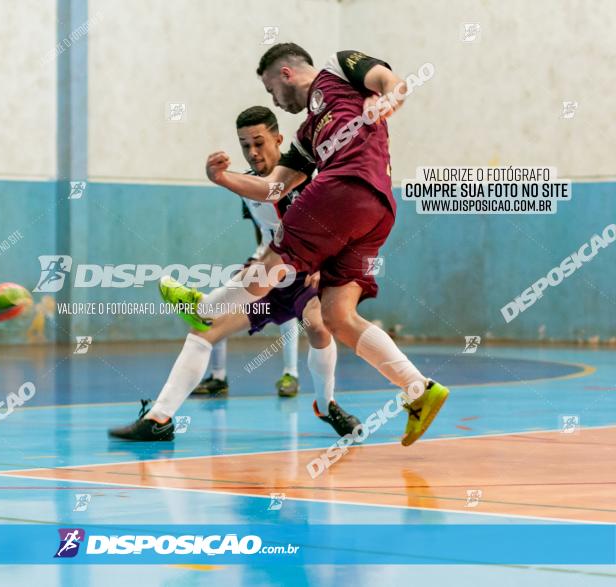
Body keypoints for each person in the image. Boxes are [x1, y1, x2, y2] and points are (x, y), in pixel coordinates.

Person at [160, 44, 448, 446]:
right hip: (376, 212)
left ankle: (205, 307)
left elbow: (387, 81)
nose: (273, 100)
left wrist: (391, 98)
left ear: (285, 74)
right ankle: (418, 388)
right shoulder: (307, 133)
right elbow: (272, 187)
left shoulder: (336, 68)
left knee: (270, 265)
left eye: (270, 90)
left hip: (347, 187)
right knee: (336, 315)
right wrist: (222, 179)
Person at [108, 271, 361, 441]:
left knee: (317, 326)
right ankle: (158, 418)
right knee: (206, 329)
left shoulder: (306, 189)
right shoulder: (254, 198)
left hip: (305, 274)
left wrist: (324, 264)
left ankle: (326, 403)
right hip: (272, 272)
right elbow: (266, 229)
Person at [194, 106, 306, 398]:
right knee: (218, 305)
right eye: (245, 146)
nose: (253, 152)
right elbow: (261, 228)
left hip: (303, 262)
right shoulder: (247, 186)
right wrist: (259, 258)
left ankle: (290, 375)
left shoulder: (301, 177)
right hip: (268, 256)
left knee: (292, 308)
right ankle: (218, 377)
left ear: (278, 140)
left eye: (259, 143)